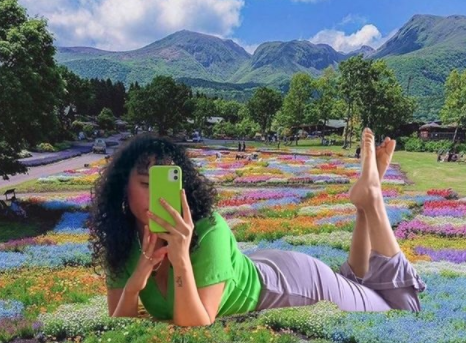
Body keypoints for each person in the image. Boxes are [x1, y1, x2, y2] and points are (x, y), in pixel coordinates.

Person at [90, 130, 426, 327]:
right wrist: (135, 285)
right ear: (123, 188)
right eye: (146, 184)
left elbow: (194, 324)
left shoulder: (207, 231)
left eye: (162, 185)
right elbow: (118, 325)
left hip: (289, 284)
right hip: (260, 265)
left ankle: (372, 199)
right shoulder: (123, 242)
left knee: (403, 310)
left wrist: (180, 258)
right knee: (356, 282)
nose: (156, 198)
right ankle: (368, 197)